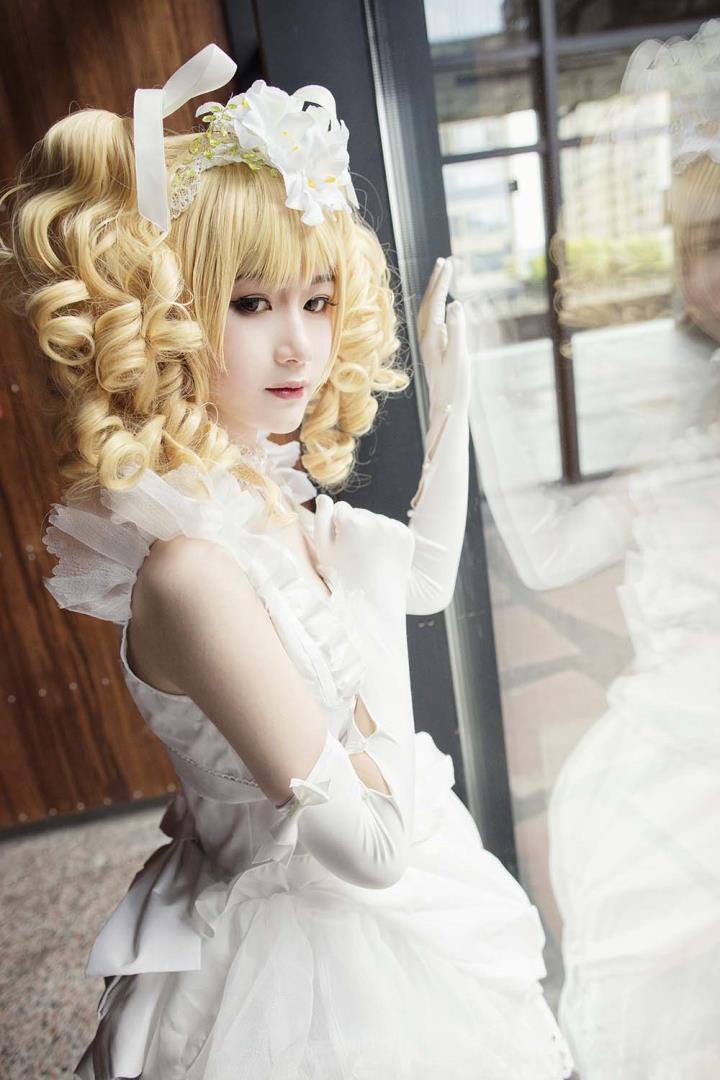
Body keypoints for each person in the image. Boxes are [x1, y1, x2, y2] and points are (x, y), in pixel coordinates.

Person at [0, 44, 574, 1079]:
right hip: (301, 944)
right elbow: (372, 852)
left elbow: (421, 580)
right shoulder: (191, 568)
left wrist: (453, 407)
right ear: (172, 316)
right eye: (252, 302)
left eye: (317, 300)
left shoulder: (264, 494)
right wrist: (368, 651)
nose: (300, 347)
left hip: (371, 879)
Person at [468, 21, 720, 1079]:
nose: (718, 272)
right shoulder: (677, 429)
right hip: (667, 749)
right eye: (707, 246)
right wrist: (476, 357)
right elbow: (549, 551)